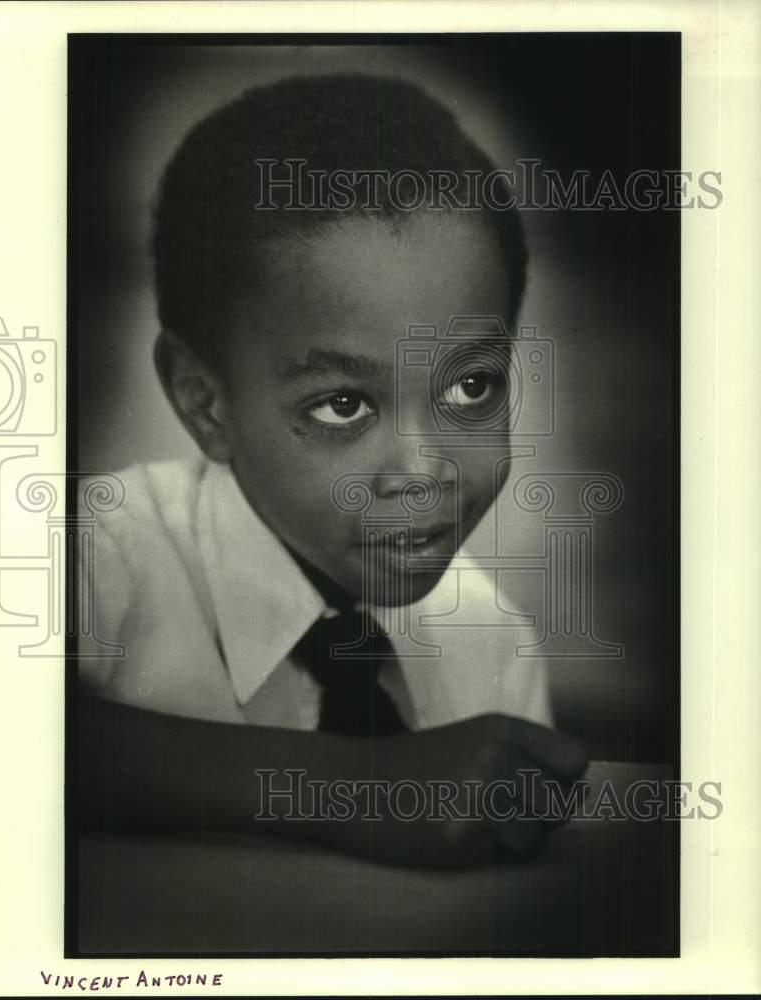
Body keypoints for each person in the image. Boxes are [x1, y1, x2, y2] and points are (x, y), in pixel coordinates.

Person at [78, 73, 587, 868]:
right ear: (205, 403)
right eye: (344, 405)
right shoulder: (96, 561)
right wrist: (353, 786)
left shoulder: (490, 642)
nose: (423, 471)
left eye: (471, 387)